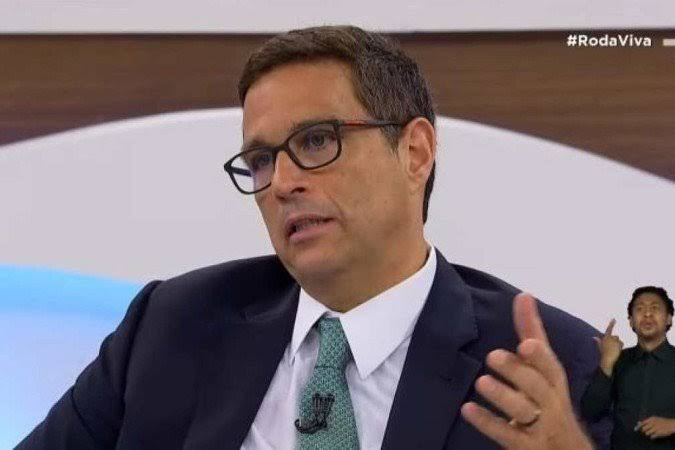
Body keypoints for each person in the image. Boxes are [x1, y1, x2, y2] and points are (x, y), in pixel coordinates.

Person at [18, 25, 608, 450]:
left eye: (317, 141)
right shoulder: (171, 326)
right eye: (261, 160)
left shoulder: (558, 366)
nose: (282, 183)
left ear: (415, 152)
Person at [582, 286, 675, 449]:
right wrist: (606, 362)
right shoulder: (618, 360)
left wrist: (672, 425)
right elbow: (590, 412)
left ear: (668, 319)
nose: (647, 314)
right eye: (640, 309)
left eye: (655, 308)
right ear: (631, 321)